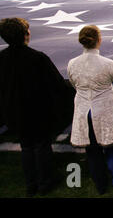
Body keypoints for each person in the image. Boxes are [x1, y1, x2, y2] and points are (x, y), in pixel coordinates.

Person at [0, 17, 70, 196]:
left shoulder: (2, 59)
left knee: (26, 146)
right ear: (25, 34)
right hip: (38, 112)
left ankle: (31, 183)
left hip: (14, 112)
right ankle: (45, 182)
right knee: (41, 146)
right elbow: (58, 85)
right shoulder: (37, 58)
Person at [67, 25, 113, 194]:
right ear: (99, 40)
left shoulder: (72, 64)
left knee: (92, 150)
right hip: (105, 111)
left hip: (84, 113)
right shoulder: (108, 64)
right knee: (112, 147)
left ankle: (100, 183)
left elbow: (74, 84)